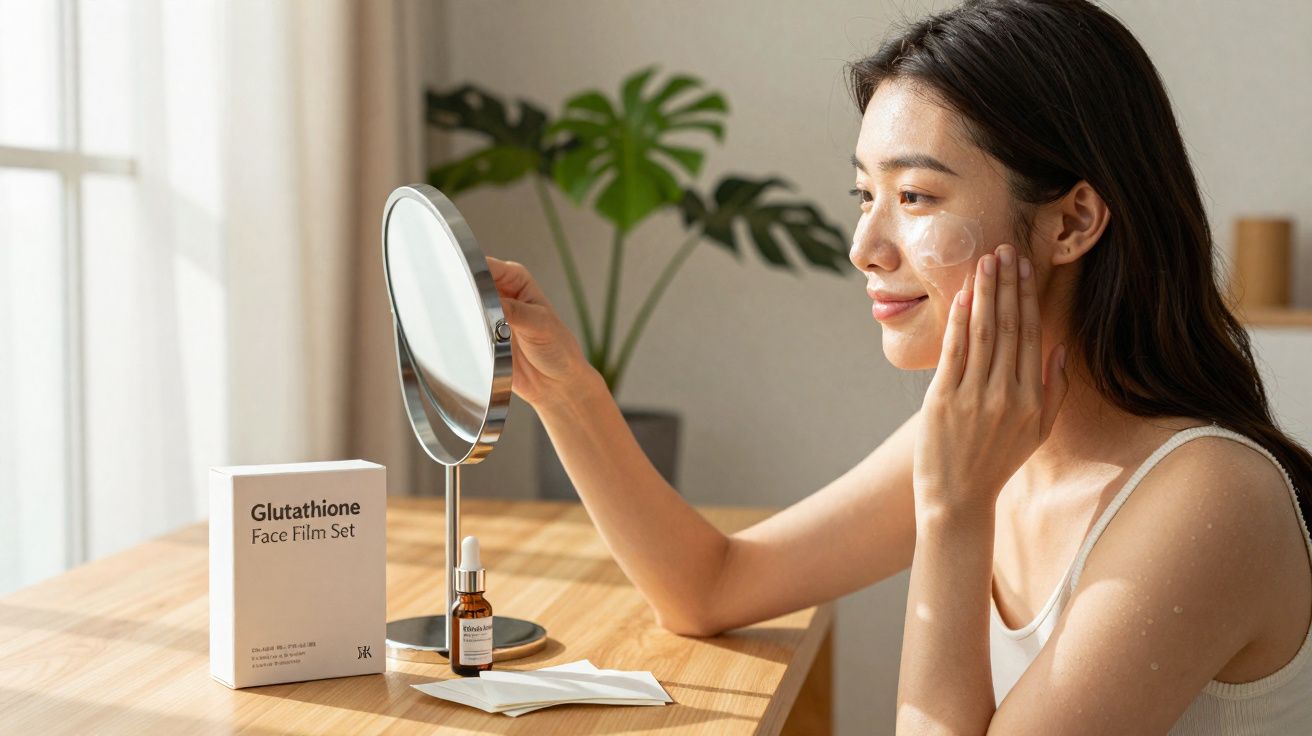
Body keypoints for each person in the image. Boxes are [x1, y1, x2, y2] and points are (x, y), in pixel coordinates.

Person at [484, 1, 1312, 732]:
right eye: (864, 196)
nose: (864, 248)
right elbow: (710, 587)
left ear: (1072, 222)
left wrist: (954, 511)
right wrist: (565, 390)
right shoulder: (988, 440)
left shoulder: (1208, 499)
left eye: (914, 197)